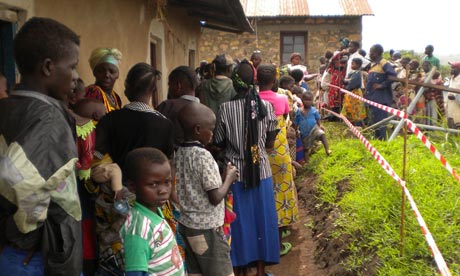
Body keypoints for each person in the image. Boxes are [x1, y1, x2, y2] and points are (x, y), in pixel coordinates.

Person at [0, 17, 82, 275]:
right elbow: (17, 178)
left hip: (14, 253)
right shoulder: (47, 118)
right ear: (48, 67)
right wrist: (26, 231)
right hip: (37, 256)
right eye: (72, 66)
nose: (77, 76)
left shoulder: (9, 105)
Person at [93, 63, 174, 271]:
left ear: (127, 86)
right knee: (154, 253)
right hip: (152, 201)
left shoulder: (110, 120)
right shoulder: (165, 125)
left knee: (117, 254)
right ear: (153, 90)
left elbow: (96, 157)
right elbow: (169, 163)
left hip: (116, 199)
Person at [214, 59, 280, 276]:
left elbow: (219, 143)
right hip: (261, 171)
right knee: (262, 221)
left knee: (238, 225)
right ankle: (261, 271)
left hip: (234, 175)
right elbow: (270, 143)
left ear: (234, 83)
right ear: (253, 81)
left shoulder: (225, 109)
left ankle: (240, 271)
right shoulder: (266, 107)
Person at [174, 102, 238, 276]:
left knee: (197, 272)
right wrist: (229, 178)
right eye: (211, 129)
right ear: (197, 129)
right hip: (208, 229)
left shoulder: (178, 153)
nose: (212, 134)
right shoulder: (203, 155)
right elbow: (215, 197)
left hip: (188, 226)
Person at [121, 147, 185, 276]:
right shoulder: (138, 231)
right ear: (132, 186)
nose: (163, 190)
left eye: (167, 182)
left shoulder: (156, 212)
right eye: (153, 184)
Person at [258, 65, 299, 256]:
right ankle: (282, 231)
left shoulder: (253, 99)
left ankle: (265, 233)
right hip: (280, 149)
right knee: (283, 187)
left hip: (260, 150)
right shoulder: (282, 99)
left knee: (265, 189)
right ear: (274, 81)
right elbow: (284, 121)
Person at [157, 66, 200, 147]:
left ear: (178, 85)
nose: (169, 89)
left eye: (169, 85)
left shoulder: (167, 106)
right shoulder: (205, 110)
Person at [365, 44, 396, 140]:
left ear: (377, 53)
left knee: (381, 121)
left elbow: (393, 75)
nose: (370, 54)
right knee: (374, 120)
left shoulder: (383, 63)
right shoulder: (372, 64)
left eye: (372, 53)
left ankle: (382, 140)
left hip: (381, 98)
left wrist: (382, 85)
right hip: (372, 97)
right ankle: (376, 139)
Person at [293, 91, 331, 160]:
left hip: (314, 128)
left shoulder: (314, 110)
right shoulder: (299, 111)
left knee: (322, 134)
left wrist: (320, 125)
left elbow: (318, 118)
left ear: (312, 101)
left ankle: (327, 149)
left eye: (309, 100)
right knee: (306, 148)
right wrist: (295, 131)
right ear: (302, 100)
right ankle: (306, 161)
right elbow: (296, 122)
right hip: (304, 133)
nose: (307, 102)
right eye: (306, 100)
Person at [85, 47, 123, 113]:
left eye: (112, 71)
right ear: (94, 72)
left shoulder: (116, 98)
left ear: (117, 74)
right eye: (101, 71)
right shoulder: (92, 93)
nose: (107, 75)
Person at [342, 58, 367, 125]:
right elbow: (347, 81)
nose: (351, 65)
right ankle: (351, 124)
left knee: (356, 110)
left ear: (358, 65)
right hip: (350, 94)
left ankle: (358, 125)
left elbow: (352, 84)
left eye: (353, 64)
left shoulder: (358, 74)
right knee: (349, 109)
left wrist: (346, 83)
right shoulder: (352, 73)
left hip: (355, 94)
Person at [446, 61, 460, 129]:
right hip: (450, 110)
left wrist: (455, 97)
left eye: (454, 68)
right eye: (451, 68)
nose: (451, 69)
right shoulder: (451, 79)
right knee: (450, 130)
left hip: (457, 111)